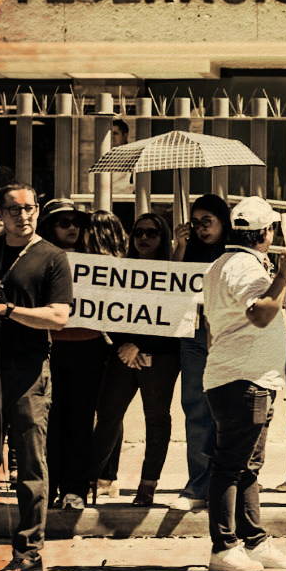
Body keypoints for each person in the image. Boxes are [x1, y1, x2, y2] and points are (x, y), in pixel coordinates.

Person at [0, 183, 72, 571]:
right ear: (0, 212)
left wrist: (7, 310)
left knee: (30, 465)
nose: (23, 215)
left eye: (29, 208)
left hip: (29, 371)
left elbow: (59, 317)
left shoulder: (52, 257)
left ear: (38, 210)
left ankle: (29, 552)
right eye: (14, 209)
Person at [200, 196, 286, 571]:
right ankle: (224, 546)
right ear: (266, 232)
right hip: (245, 379)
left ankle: (253, 541)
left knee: (247, 465)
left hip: (241, 376)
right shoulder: (246, 267)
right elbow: (260, 313)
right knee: (232, 465)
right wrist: (284, 274)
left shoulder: (224, 264)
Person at [86, 213, 182, 507]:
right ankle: (90, 480)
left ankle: (148, 485)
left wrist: (138, 344)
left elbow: (175, 315)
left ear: (162, 237)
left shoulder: (174, 270)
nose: (143, 238)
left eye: (151, 233)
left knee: (156, 419)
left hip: (162, 356)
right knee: (108, 415)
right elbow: (108, 311)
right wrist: (125, 344)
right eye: (138, 231)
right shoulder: (121, 269)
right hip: (122, 353)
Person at [38, 199, 111, 510]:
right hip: (47, 348)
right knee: (49, 423)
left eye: (76, 223)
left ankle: (74, 490)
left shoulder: (99, 262)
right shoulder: (37, 259)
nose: (71, 227)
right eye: (63, 222)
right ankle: (49, 488)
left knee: (80, 423)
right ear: (49, 227)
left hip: (88, 348)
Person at [170, 193, 230, 511]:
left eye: (207, 221)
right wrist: (179, 247)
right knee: (195, 408)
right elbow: (170, 291)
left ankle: (231, 481)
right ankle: (197, 485)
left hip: (227, 337)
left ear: (224, 221)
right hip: (193, 336)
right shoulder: (188, 251)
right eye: (195, 223)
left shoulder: (236, 254)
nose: (201, 229)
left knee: (231, 412)